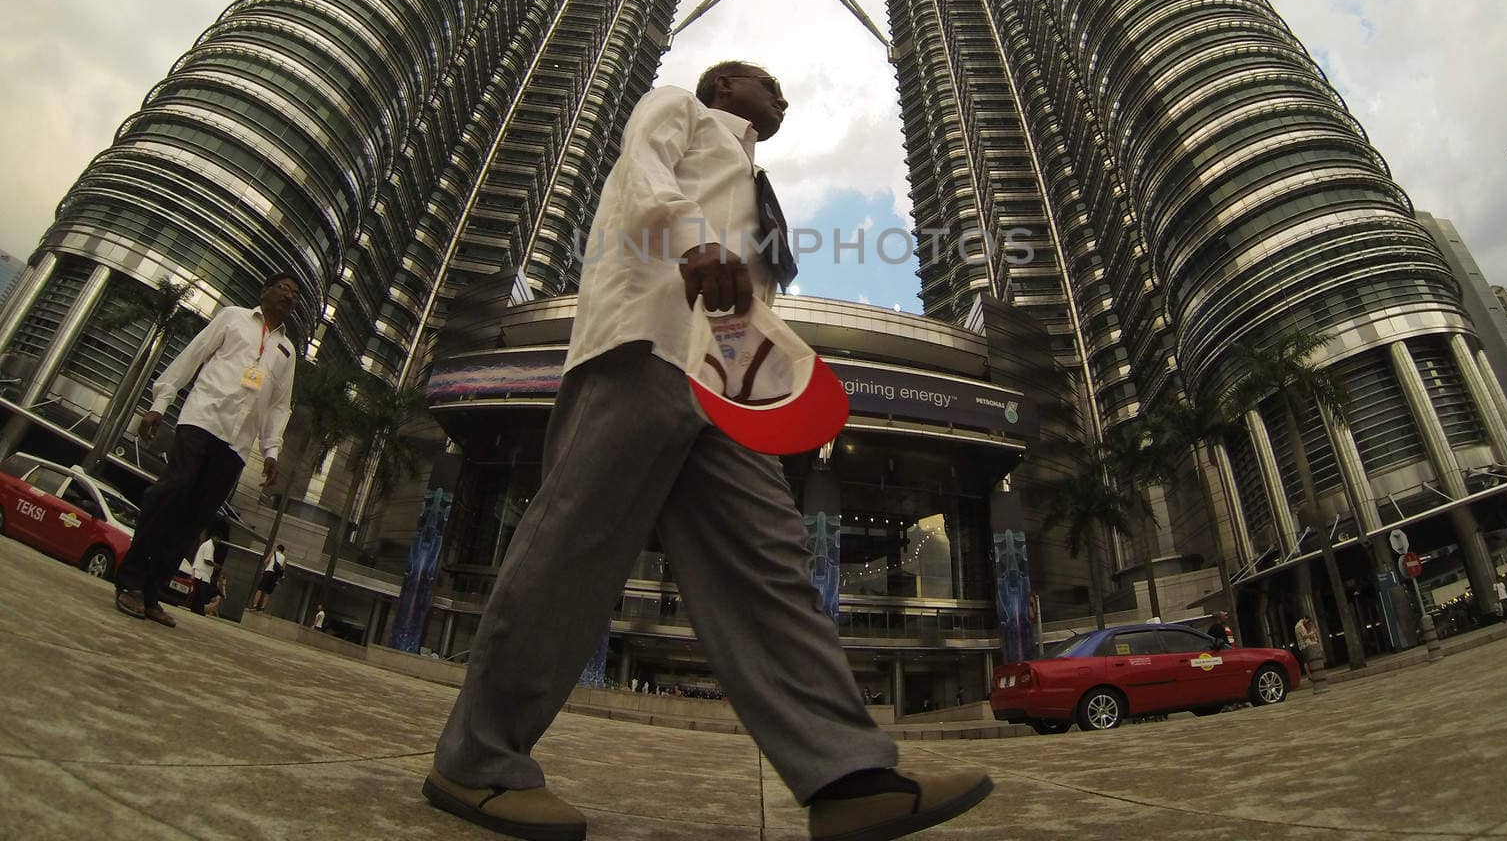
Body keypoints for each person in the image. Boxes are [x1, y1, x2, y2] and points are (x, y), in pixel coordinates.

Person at [423, 64, 991, 841]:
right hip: (646, 344)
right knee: (573, 545)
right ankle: (476, 761)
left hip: (726, 384)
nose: (783, 99)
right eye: (769, 86)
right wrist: (693, 242)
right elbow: (643, 170)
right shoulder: (679, 108)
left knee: (769, 562)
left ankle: (848, 777)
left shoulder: (759, 184)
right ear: (724, 85)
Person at [113, 272, 300, 628]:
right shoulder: (232, 317)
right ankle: (130, 581)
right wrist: (161, 402)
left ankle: (151, 595)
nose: (289, 297)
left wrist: (271, 450)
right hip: (202, 419)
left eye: (295, 294)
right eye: (283, 288)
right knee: (173, 490)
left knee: (195, 519)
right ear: (265, 291)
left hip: (237, 445)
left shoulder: (287, 351)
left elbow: (280, 405)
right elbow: (193, 354)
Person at [188, 529, 219, 616]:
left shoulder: (206, 544)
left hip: (199, 572)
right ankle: (199, 610)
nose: (218, 542)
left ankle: (194, 608)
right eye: (218, 539)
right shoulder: (210, 545)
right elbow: (207, 560)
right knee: (201, 594)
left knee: (198, 593)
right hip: (202, 574)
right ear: (214, 537)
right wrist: (215, 565)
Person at [251, 544, 287, 612]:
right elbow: (283, 570)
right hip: (275, 576)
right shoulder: (284, 558)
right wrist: (278, 579)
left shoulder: (273, 553)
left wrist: (266, 568)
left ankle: (255, 606)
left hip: (268, 573)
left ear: (277, 549)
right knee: (268, 593)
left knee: (260, 589)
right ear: (283, 551)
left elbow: (265, 561)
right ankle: (262, 608)